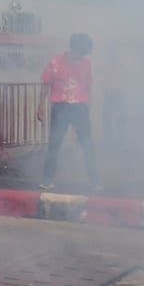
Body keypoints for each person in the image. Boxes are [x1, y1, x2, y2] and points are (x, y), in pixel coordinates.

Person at [36, 33, 99, 191]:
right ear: (74, 48)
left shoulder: (86, 64)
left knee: (87, 145)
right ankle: (47, 179)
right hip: (60, 107)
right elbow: (46, 85)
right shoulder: (55, 62)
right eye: (82, 51)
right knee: (54, 144)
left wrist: (89, 103)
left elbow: (88, 86)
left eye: (86, 52)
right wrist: (41, 106)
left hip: (79, 108)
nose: (84, 55)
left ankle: (94, 181)